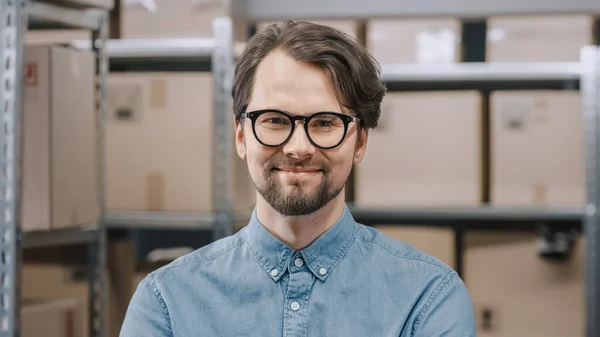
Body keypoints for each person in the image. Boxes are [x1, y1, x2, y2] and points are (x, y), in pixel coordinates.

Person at [120, 19, 476, 336]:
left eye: (324, 123)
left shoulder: (427, 297)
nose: (298, 147)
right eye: (274, 120)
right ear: (242, 137)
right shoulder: (166, 302)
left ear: (360, 141)